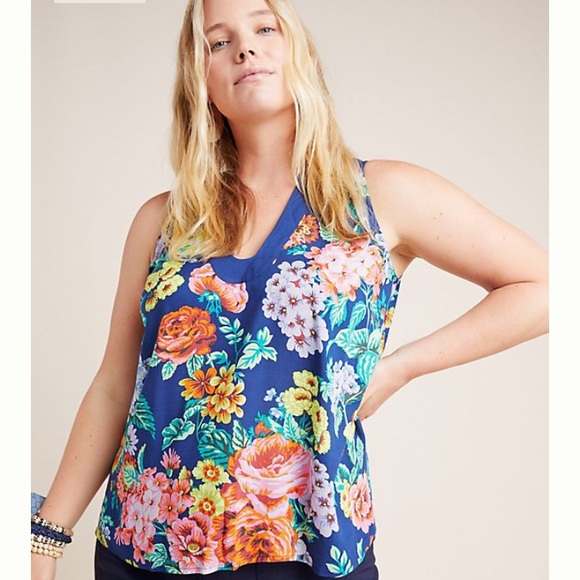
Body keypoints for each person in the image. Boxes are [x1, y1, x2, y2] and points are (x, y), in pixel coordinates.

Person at [31, 0, 549, 578]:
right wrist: (45, 536)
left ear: (299, 50)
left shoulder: (380, 196)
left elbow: (543, 287)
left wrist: (400, 368)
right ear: (200, 81)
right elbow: (114, 385)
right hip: (145, 547)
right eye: (219, 42)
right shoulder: (163, 221)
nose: (245, 48)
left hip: (306, 548)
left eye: (264, 27)